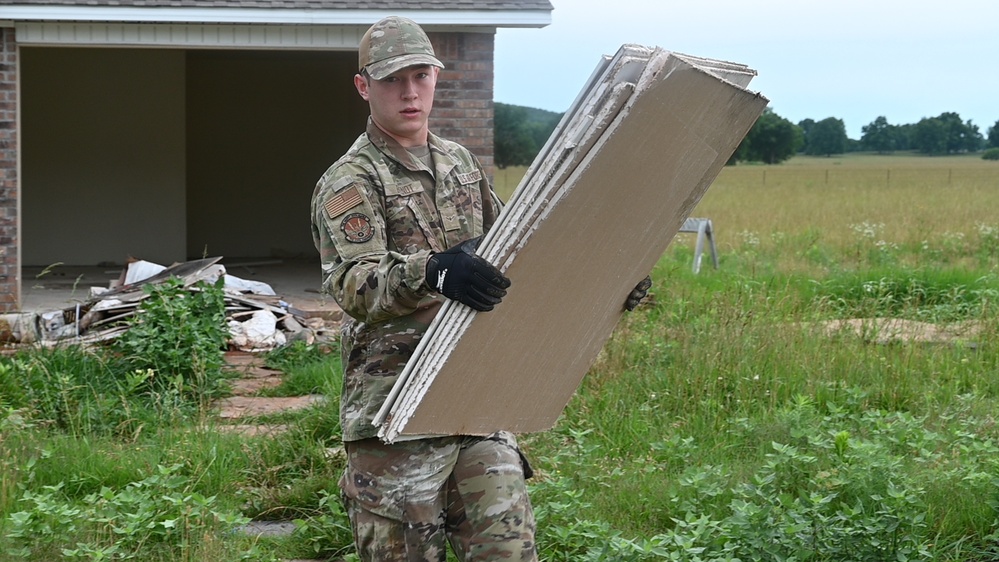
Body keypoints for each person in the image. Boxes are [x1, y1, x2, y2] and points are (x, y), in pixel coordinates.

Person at [311, 16, 650, 561]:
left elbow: (518, 254)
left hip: (473, 394)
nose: (409, 91)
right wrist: (433, 272)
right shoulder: (351, 180)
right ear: (363, 86)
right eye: (393, 79)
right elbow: (353, 285)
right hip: (394, 411)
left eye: (420, 75)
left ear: (436, 79)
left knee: (510, 551)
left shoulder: (461, 164)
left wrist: (606, 279)